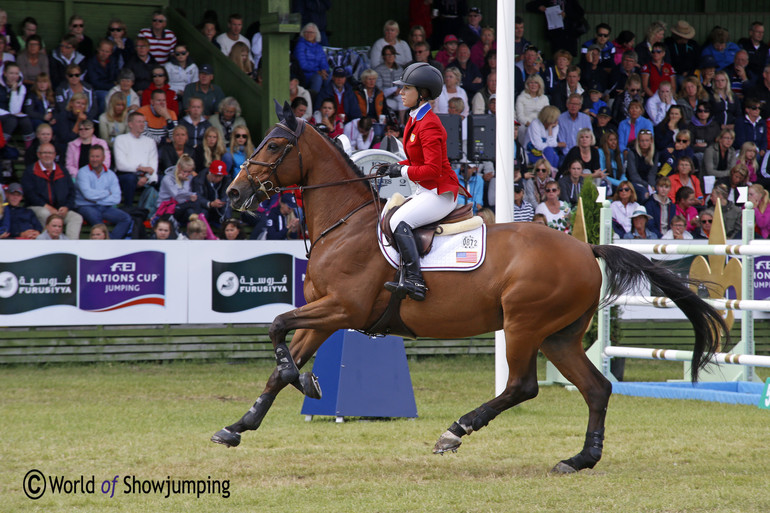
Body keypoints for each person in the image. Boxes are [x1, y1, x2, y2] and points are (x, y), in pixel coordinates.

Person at [375, 62, 462, 301]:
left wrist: (401, 172)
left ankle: (415, 281)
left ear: (421, 93)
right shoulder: (416, 119)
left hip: (439, 192)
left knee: (398, 221)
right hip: (426, 189)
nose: (401, 92)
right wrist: (394, 166)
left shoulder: (429, 123)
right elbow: (416, 160)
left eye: (406, 88)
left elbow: (432, 170)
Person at [22, 142, 83, 240]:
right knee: (45, 213)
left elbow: (72, 192)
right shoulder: (30, 171)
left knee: (76, 218)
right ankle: (47, 245)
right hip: (38, 207)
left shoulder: (62, 171)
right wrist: (48, 207)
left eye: (50, 153)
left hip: (60, 210)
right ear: (38, 154)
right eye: (44, 153)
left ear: (55, 155)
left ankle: (70, 247)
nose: (47, 155)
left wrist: (66, 207)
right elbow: (30, 194)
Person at [74, 145, 132, 239]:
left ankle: (111, 241)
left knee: (126, 218)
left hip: (104, 207)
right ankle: (108, 242)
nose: (94, 159)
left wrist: (96, 200)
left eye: (97, 156)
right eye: (92, 156)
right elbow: (88, 194)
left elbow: (116, 198)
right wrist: (106, 193)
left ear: (103, 158)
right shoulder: (82, 172)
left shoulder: (111, 175)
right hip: (85, 206)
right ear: (89, 157)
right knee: (96, 217)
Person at [113, 111, 158, 207]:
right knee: (130, 179)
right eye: (139, 122)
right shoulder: (120, 139)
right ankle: (128, 208)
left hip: (145, 175)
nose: (142, 124)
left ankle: (151, 215)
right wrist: (140, 168)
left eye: (143, 122)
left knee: (162, 180)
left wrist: (146, 177)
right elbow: (121, 165)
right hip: (126, 175)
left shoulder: (150, 141)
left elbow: (153, 163)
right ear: (130, 124)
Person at [157, 154, 207, 227]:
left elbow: (187, 195)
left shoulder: (190, 177)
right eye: (185, 171)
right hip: (167, 207)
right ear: (179, 167)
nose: (187, 174)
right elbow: (177, 196)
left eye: (189, 172)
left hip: (182, 207)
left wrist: (190, 194)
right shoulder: (167, 179)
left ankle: (197, 230)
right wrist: (185, 183)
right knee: (194, 206)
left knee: (194, 210)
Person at [0, 62, 34, 147]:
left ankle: (29, 149)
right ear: (5, 73)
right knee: (11, 120)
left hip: (12, 114)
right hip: (2, 114)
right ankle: (2, 145)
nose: (14, 76)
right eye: (11, 73)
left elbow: (15, 110)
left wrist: (14, 90)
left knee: (25, 120)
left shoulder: (22, 88)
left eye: (16, 73)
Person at [294, 23, 329, 96]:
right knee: (318, 78)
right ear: (303, 33)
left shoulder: (319, 47)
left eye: (311, 32)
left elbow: (324, 62)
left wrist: (323, 70)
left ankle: (327, 100)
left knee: (328, 77)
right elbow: (302, 65)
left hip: (318, 73)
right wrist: (317, 71)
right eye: (307, 32)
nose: (309, 34)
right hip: (305, 75)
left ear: (316, 34)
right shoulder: (300, 46)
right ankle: (313, 100)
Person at [193, 159, 231, 227]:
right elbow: (198, 197)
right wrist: (210, 204)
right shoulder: (198, 179)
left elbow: (227, 194)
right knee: (202, 212)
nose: (219, 178)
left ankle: (226, 227)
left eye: (221, 176)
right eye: (216, 175)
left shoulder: (226, 179)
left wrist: (221, 202)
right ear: (210, 172)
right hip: (205, 207)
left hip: (219, 209)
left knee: (227, 206)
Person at [85, 39, 119, 113]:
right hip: (95, 90)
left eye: (107, 52)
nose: (104, 54)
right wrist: (113, 85)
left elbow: (116, 76)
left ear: (111, 52)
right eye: (102, 50)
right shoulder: (91, 62)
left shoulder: (113, 60)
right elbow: (95, 83)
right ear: (97, 49)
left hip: (111, 89)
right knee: (105, 96)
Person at [557, 93, 592, 157]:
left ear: (580, 106)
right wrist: (570, 155)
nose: (573, 106)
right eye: (571, 104)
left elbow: (589, 138)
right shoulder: (560, 118)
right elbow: (561, 140)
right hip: (565, 155)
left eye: (576, 104)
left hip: (583, 154)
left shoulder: (586, 119)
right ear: (567, 105)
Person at [374, 45, 405, 116]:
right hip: (383, 94)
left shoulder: (399, 69)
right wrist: (394, 90)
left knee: (404, 98)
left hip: (397, 94)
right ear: (383, 56)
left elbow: (403, 84)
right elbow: (378, 88)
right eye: (388, 54)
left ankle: (402, 123)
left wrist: (399, 89)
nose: (390, 56)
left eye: (392, 54)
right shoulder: (378, 70)